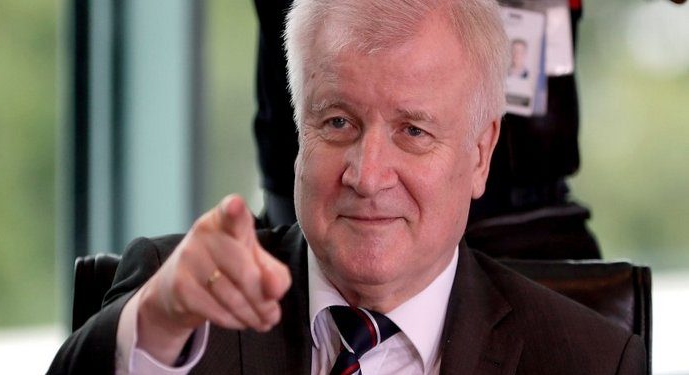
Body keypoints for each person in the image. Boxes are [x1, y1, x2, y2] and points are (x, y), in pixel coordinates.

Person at [49, 0, 645, 373]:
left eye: (413, 131)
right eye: (338, 122)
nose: (366, 175)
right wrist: (157, 321)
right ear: (299, 128)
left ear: (480, 153)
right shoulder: (177, 302)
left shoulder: (587, 359)